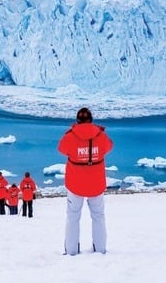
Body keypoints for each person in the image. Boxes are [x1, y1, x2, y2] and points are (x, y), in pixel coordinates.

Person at [57, 107, 114, 255]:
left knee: (73, 217)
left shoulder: (70, 136)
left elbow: (61, 149)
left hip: (75, 184)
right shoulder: (101, 136)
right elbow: (109, 146)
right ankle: (100, 249)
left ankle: (71, 251)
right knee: (98, 216)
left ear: (77, 120)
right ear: (91, 120)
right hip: (96, 184)